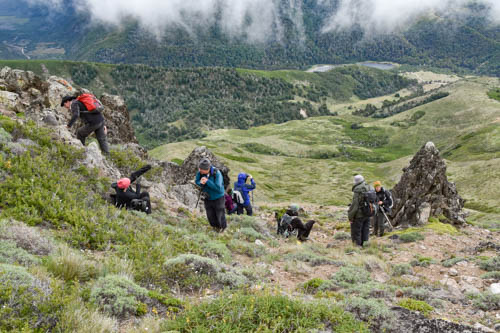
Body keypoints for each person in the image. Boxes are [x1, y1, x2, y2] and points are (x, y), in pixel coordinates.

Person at [195, 158, 226, 232]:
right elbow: (197, 181)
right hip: (208, 197)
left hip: (218, 197)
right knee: (210, 214)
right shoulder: (200, 172)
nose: (199, 170)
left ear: (207, 169)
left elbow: (218, 187)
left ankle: (222, 228)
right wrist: (200, 183)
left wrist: (207, 181)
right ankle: (214, 228)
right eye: (199, 168)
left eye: (201, 169)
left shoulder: (217, 173)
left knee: (219, 214)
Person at [348, 175, 371, 247]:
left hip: (359, 215)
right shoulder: (368, 187)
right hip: (367, 213)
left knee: (356, 231)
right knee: (365, 230)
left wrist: (350, 216)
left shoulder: (358, 190)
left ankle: (357, 247)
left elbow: (355, 205)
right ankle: (365, 245)